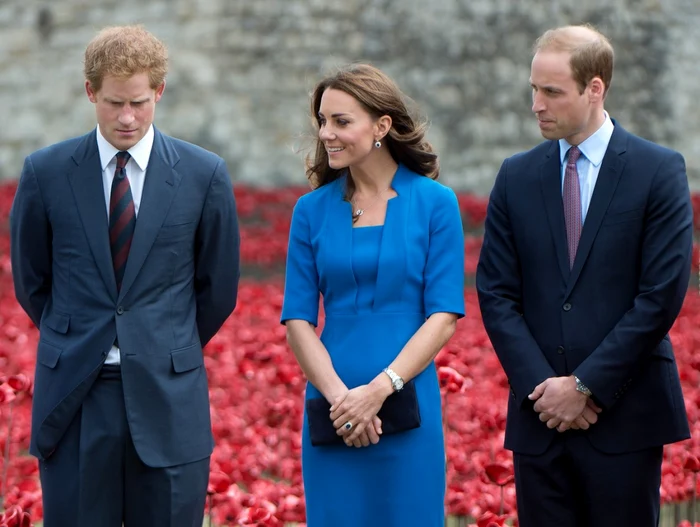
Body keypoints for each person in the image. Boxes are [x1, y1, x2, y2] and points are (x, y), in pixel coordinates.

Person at [10, 25, 240, 527]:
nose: (127, 117)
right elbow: (32, 281)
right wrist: (76, 335)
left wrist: (163, 340)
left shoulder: (204, 175)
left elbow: (217, 288)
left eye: (139, 101)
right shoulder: (44, 173)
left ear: (159, 91)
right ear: (90, 91)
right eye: (114, 103)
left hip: (169, 397)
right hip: (73, 396)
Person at [476, 24, 693, 527]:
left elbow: (660, 296)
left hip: (626, 418)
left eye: (551, 91)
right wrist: (545, 391)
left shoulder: (657, 171)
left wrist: (586, 386)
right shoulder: (516, 175)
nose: (536, 104)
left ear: (595, 88)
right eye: (534, 89)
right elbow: (496, 293)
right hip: (539, 421)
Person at [280, 63, 465, 526]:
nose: (327, 133)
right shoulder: (310, 211)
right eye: (323, 121)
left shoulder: (436, 203)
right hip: (331, 408)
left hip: (407, 405)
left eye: (342, 121)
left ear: (382, 126)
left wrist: (380, 390)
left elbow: (443, 315)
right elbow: (297, 320)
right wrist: (342, 401)